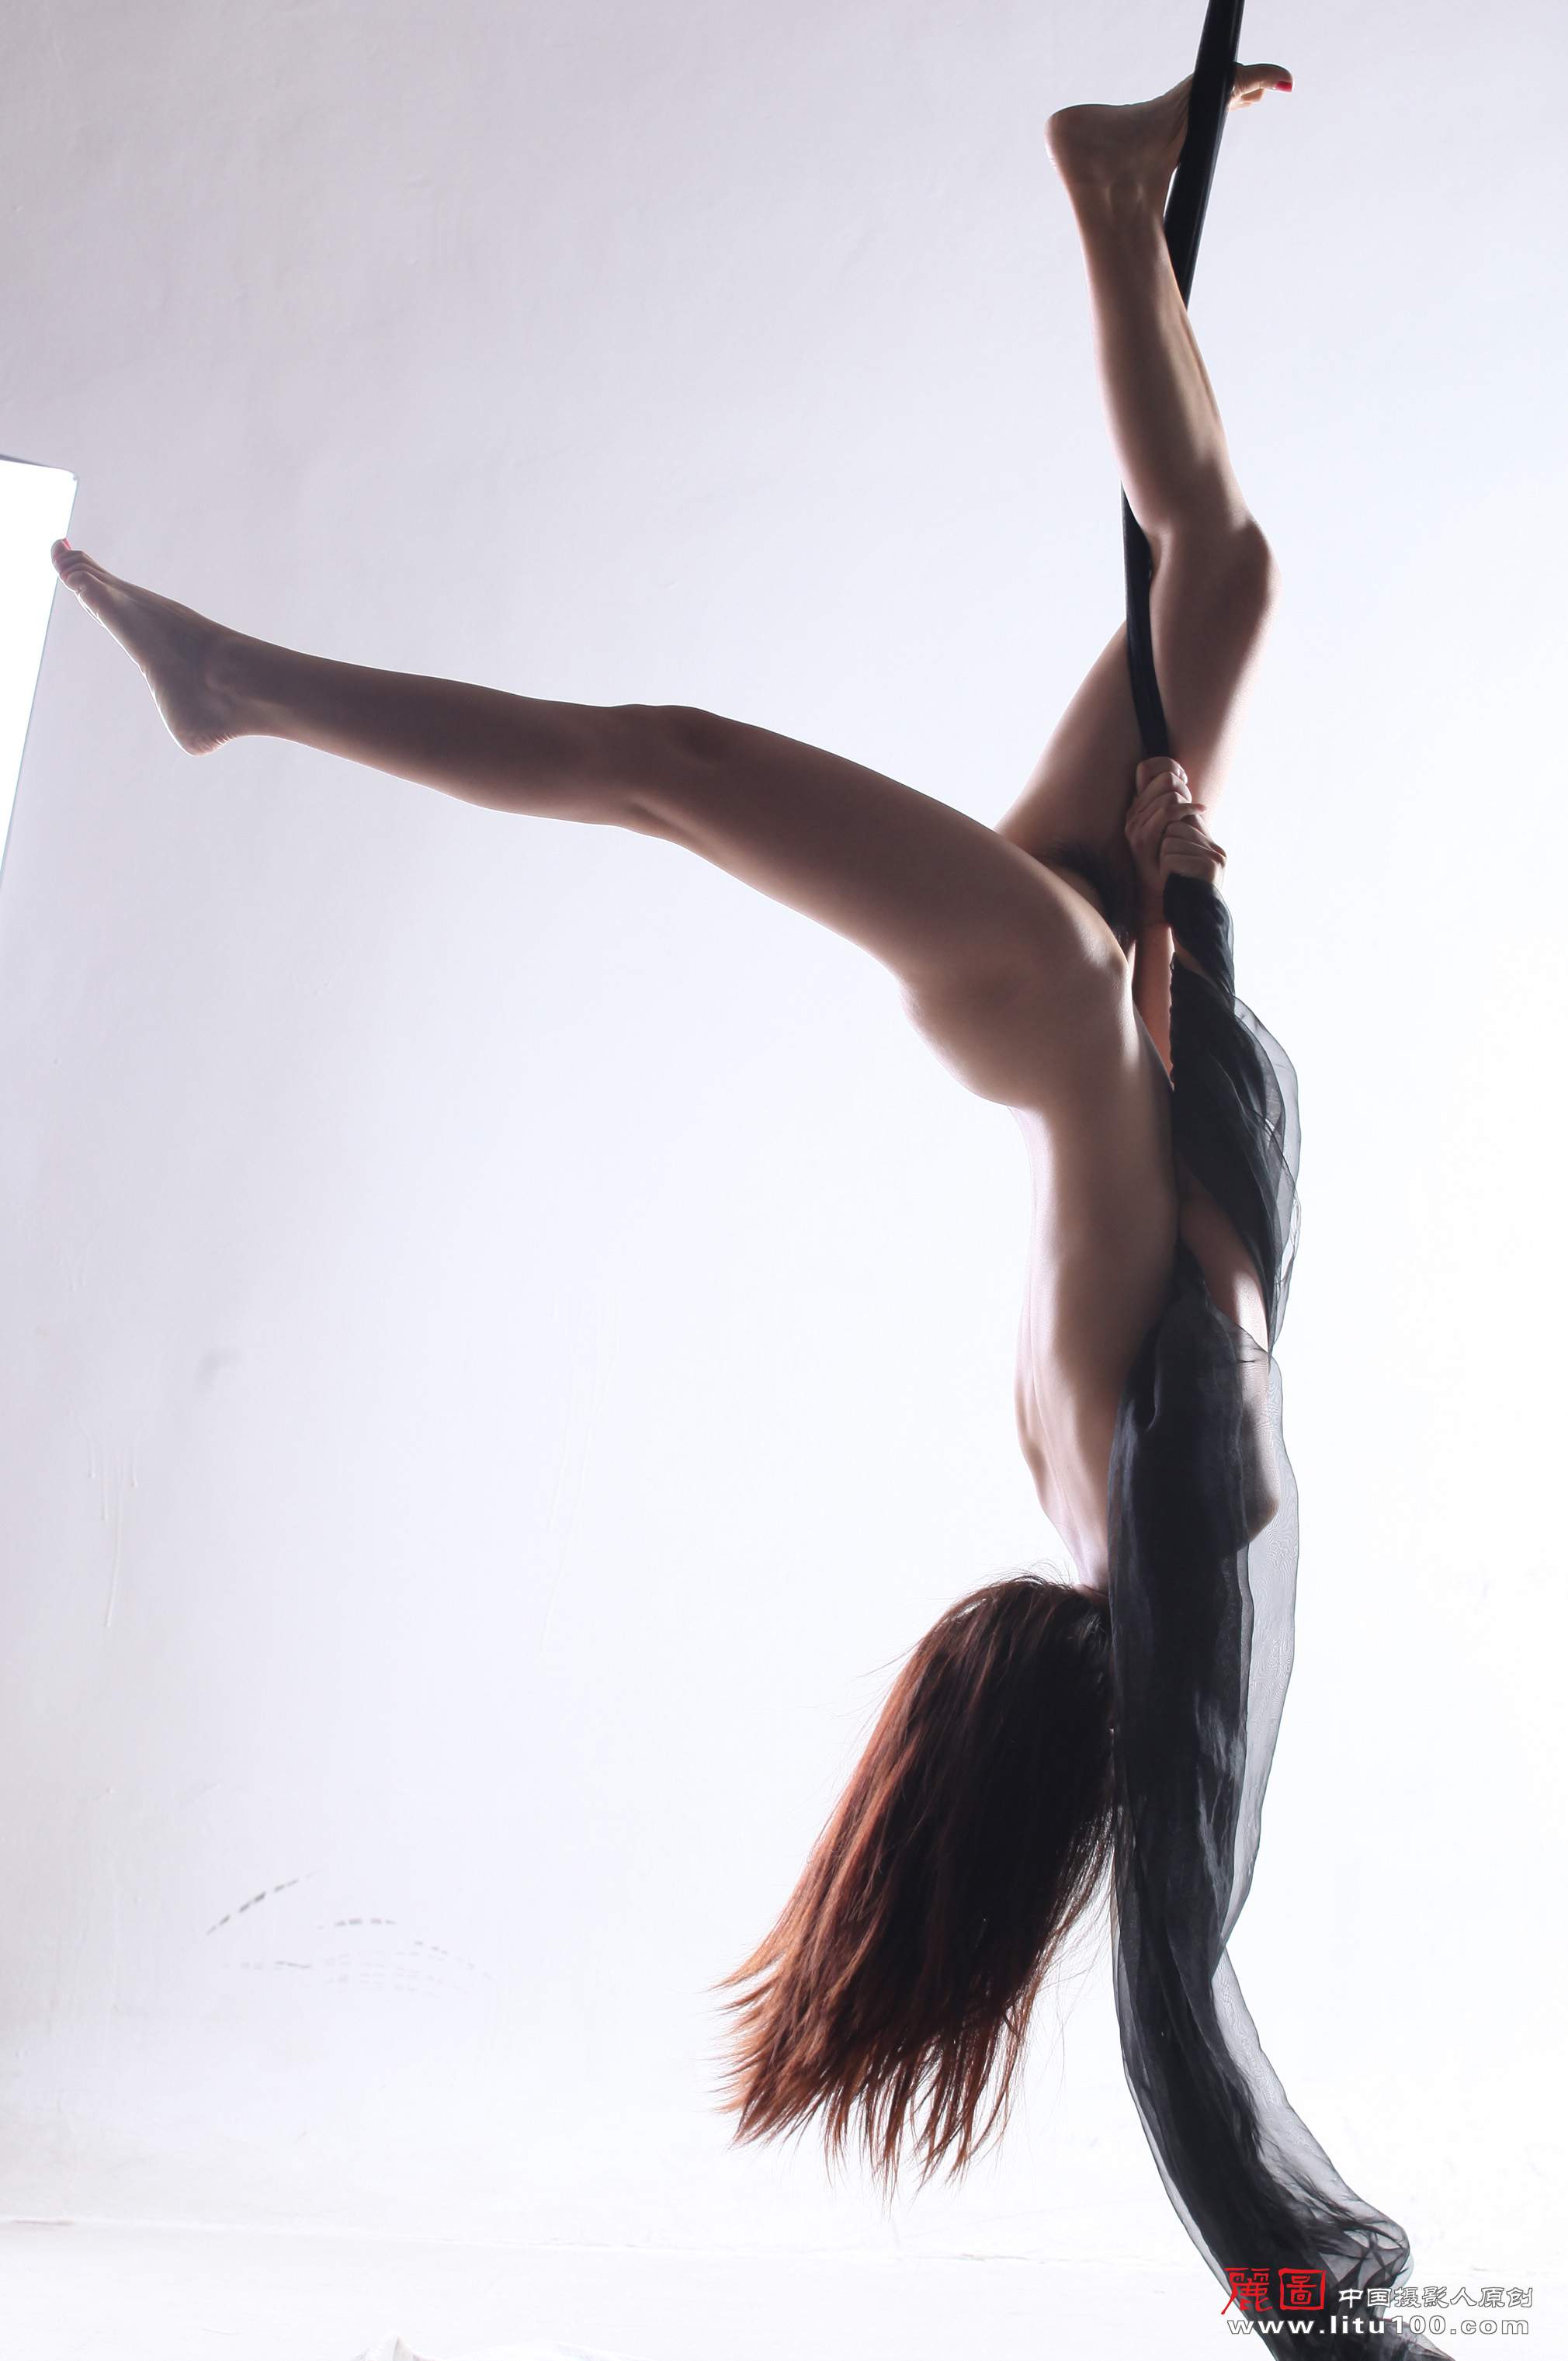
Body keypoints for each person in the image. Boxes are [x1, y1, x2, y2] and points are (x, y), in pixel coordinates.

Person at [50, 65, 1293, 2189]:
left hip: (1052, 980)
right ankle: (1108, 193)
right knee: (1223, 576)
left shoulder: (1153, 1486)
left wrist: (1184, 907)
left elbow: (1209, 1183)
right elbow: (1194, 1174)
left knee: (668, 763)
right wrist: (1179, 901)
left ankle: (236, 688)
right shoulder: (1108, 1498)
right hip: (1088, 981)